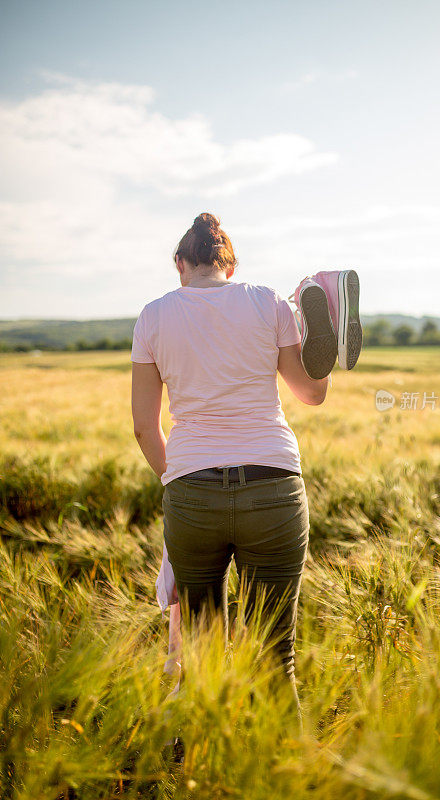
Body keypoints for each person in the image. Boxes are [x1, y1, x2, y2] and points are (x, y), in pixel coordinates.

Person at [131, 212, 360, 743]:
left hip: (192, 491)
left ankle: (208, 770)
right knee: (276, 656)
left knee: (205, 650)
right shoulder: (267, 301)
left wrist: (183, 479)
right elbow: (311, 395)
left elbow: (145, 427)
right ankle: (285, 773)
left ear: (183, 266)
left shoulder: (154, 315)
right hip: (273, 484)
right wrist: (318, 361)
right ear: (229, 266)